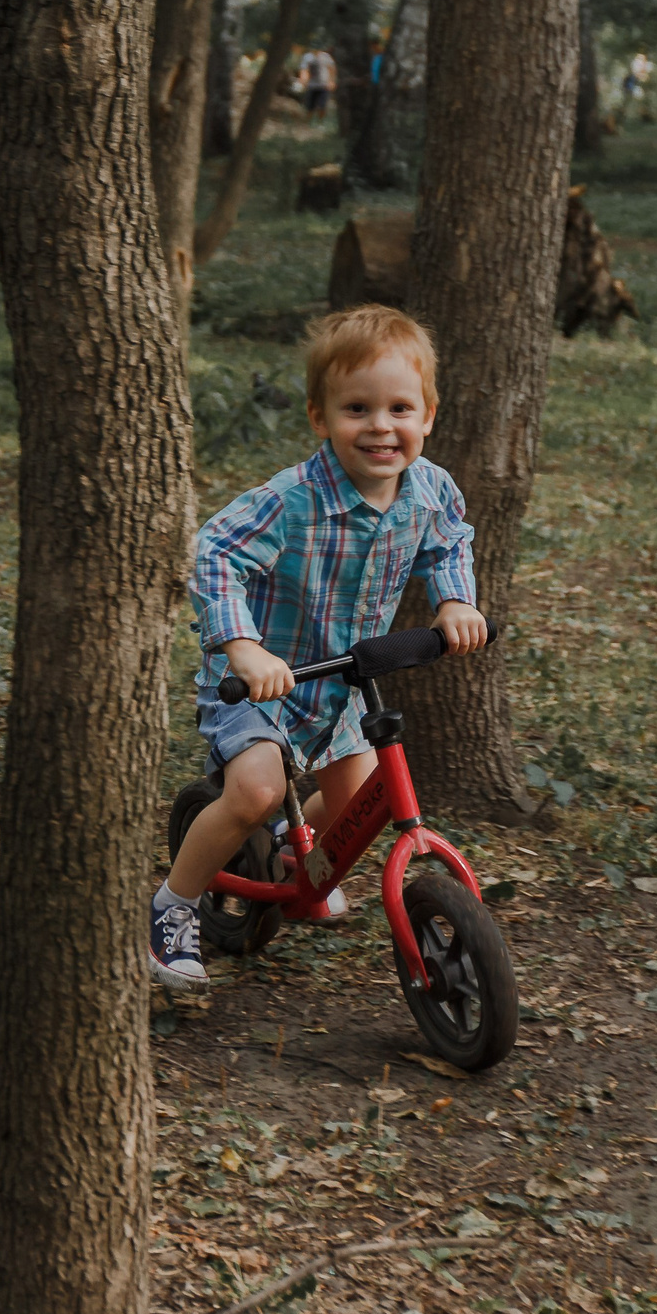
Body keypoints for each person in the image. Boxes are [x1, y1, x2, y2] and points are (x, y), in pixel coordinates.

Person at [149, 305, 488, 990]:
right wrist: (242, 647)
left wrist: (454, 599)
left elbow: (451, 539)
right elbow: (213, 553)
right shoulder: (293, 500)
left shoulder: (429, 491)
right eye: (357, 408)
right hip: (262, 681)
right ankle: (173, 907)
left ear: (428, 415)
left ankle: (286, 855)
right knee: (256, 789)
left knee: (359, 809)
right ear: (319, 417)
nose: (381, 427)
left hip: (342, 683)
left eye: (400, 408)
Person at [300, 47, 336, 123]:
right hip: (311, 85)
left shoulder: (326, 57)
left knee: (322, 106)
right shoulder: (308, 57)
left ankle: (320, 123)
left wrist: (331, 82)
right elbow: (304, 69)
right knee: (309, 106)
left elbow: (332, 69)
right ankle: (307, 122)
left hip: (324, 85)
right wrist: (304, 81)